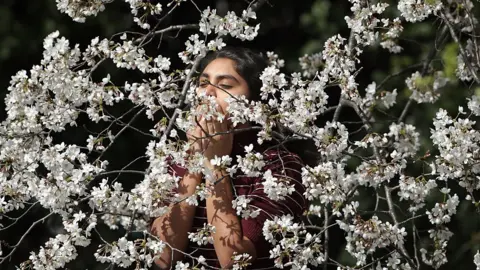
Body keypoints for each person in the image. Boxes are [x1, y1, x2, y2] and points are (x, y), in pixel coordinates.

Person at [150, 47, 307, 269]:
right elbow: (162, 258)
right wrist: (196, 160)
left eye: (224, 86)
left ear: (255, 102)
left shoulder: (279, 167)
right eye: (204, 83)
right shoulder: (175, 160)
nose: (208, 94)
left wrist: (216, 166)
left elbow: (234, 261)